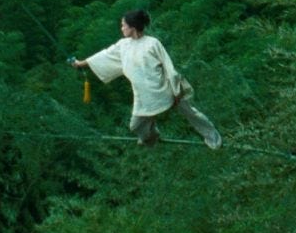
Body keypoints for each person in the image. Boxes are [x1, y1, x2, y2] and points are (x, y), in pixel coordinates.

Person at [71, 10, 222, 148]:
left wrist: (176, 91)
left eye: (123, 25)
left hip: (165, 89)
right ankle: (151, 136)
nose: (121, 28)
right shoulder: (123, 45)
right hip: (143, 96)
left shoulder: (153, 43)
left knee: (191, 113)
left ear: (133, 27)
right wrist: (80, 63)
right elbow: (104, 55)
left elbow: (169, 68)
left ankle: (213, 136)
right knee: (136, 126)